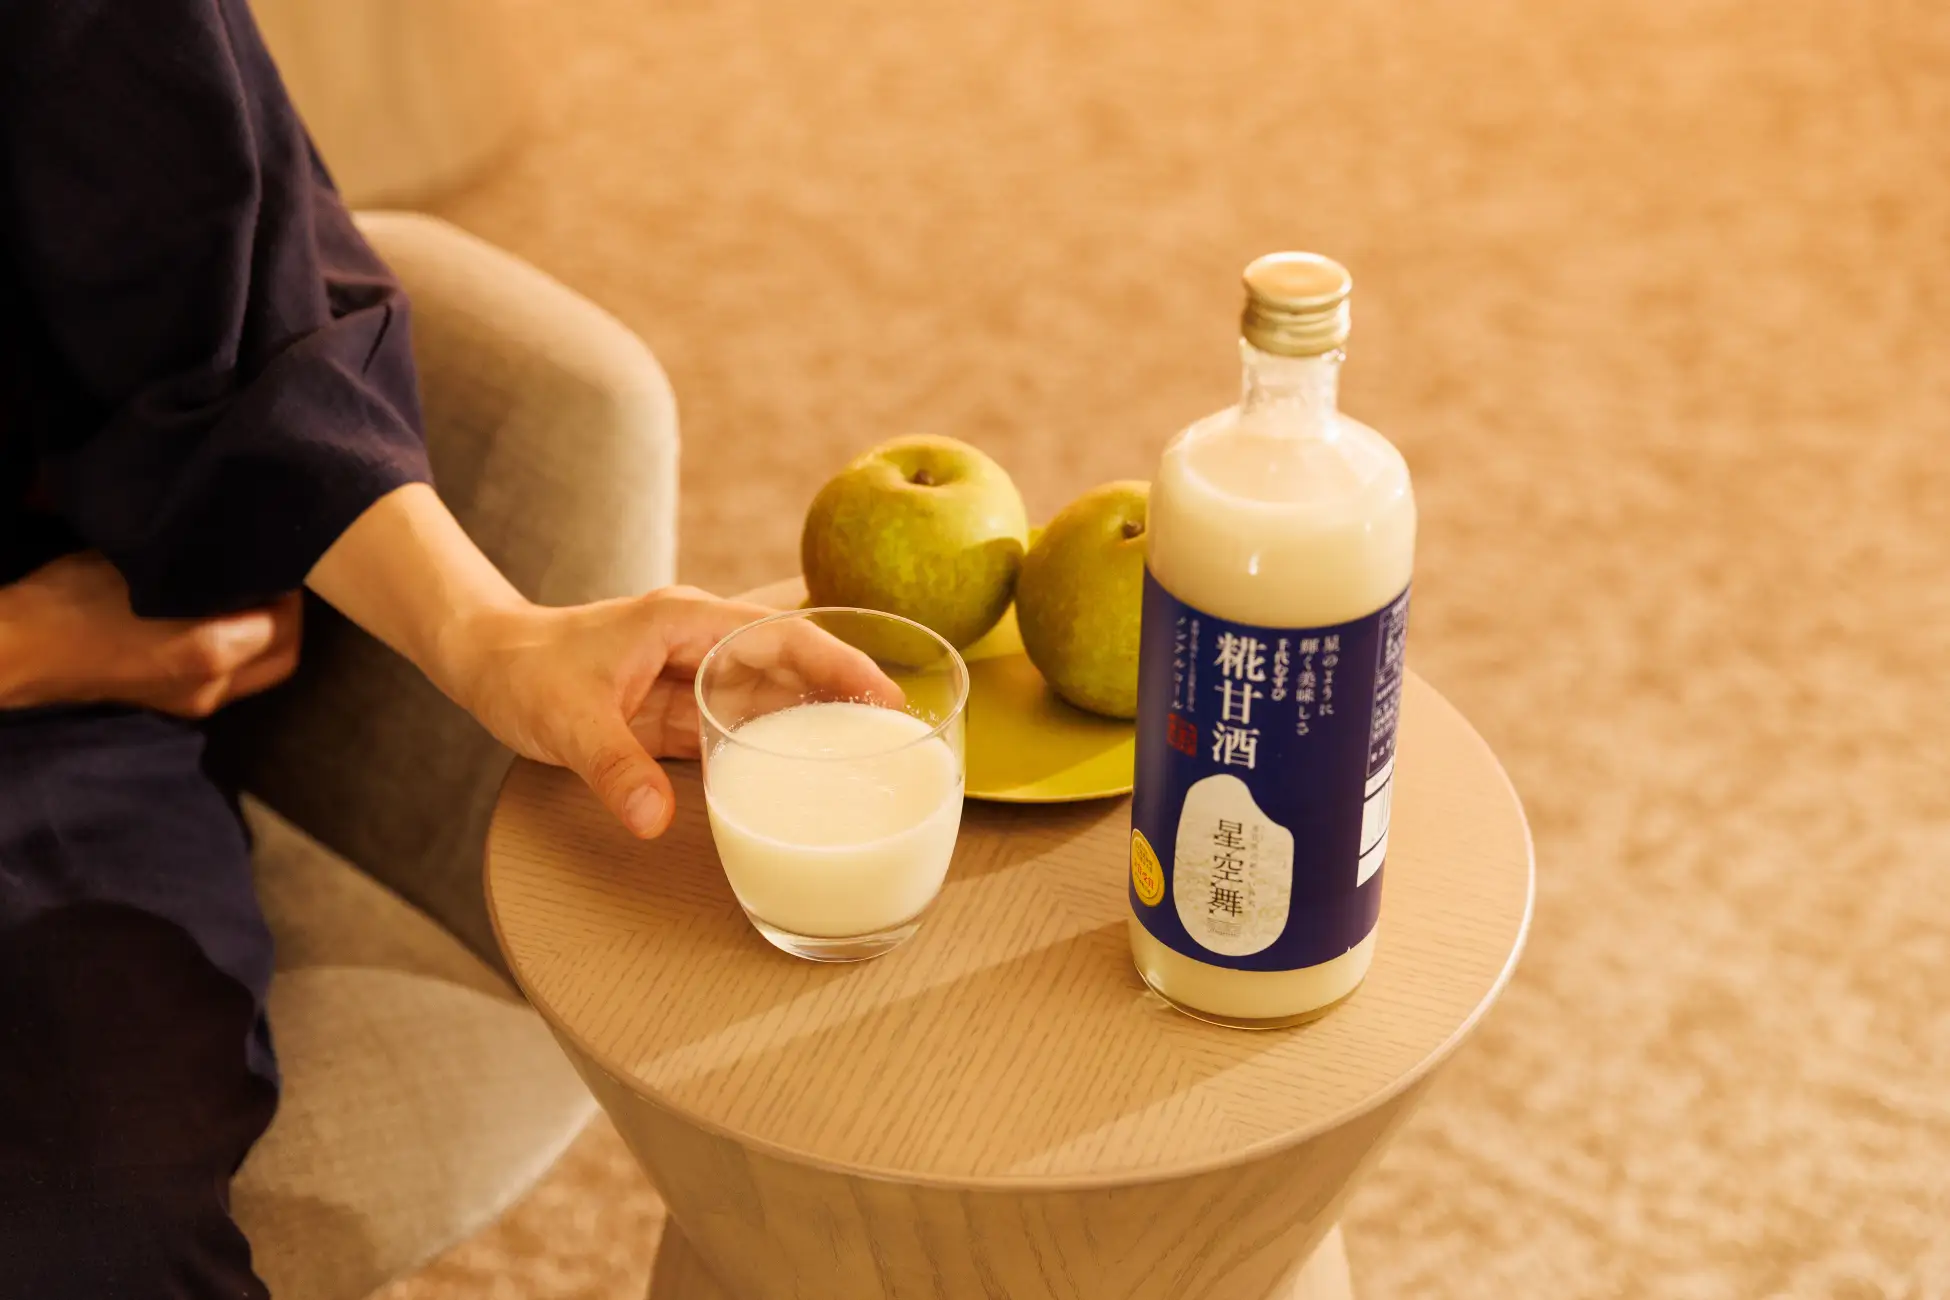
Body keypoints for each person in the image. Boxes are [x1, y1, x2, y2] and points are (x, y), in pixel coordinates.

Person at [0, 2, 888, 1294]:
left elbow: (215, 300)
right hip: (54, 651)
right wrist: (29, 646)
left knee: (91, 1227)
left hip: (46, 739)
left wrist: (490, 635)